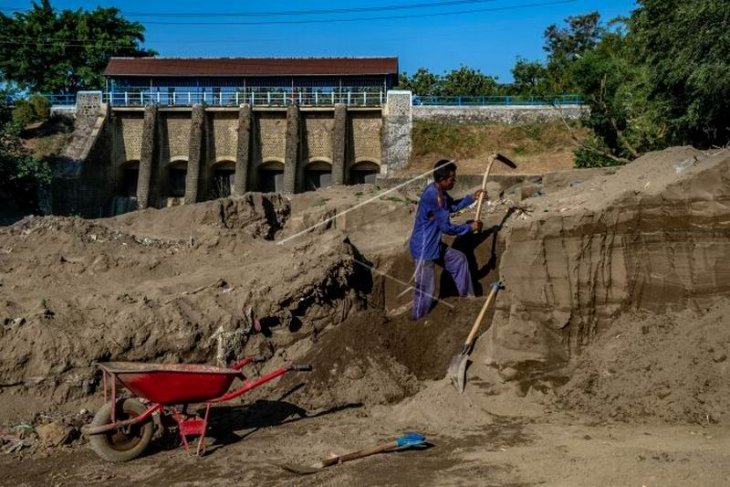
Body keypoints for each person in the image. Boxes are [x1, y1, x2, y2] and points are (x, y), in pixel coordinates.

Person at [409, 159, 483, 320]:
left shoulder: (439, 191)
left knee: (459, 260)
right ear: (442, 180)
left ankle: (469, 300)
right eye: (452, 179)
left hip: (433, 244)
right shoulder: (435, 197)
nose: (454, 182)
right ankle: (417, 319)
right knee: (426, 290)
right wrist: (470, 228)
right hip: (423, 249)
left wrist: (472, 198)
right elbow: (447, 228)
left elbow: (452, 206)